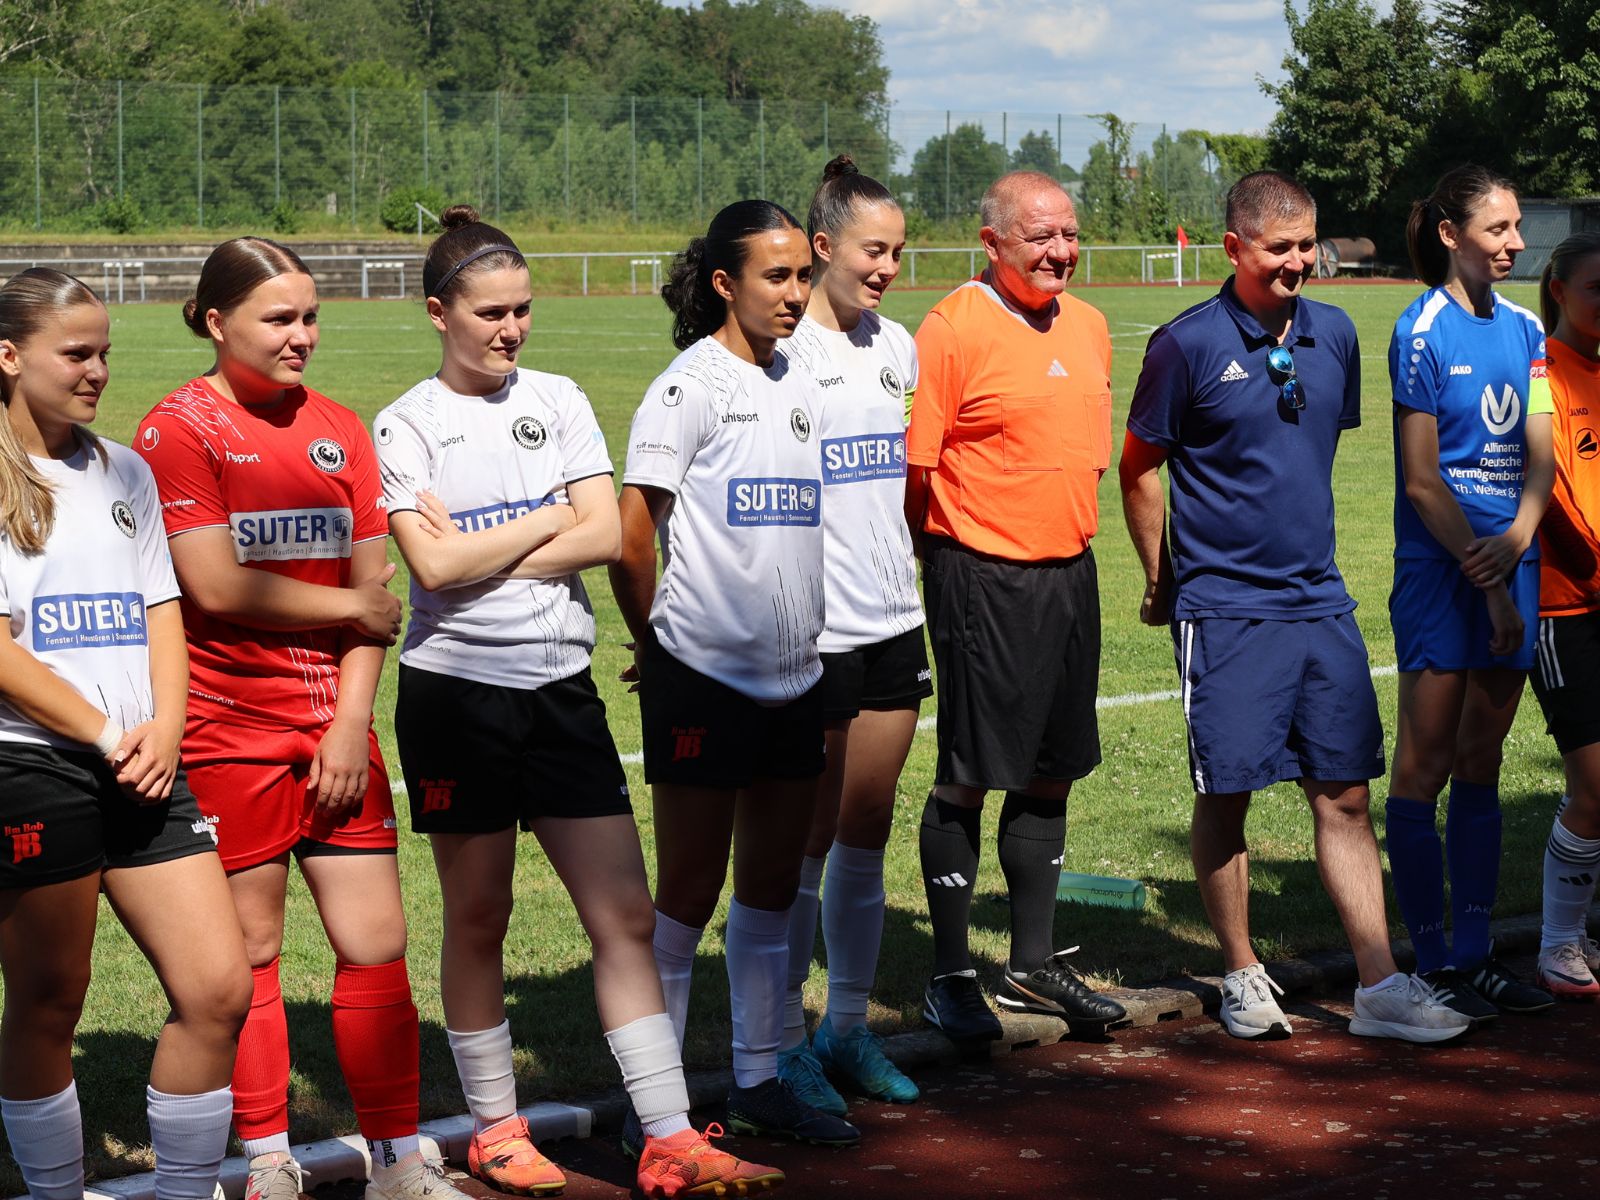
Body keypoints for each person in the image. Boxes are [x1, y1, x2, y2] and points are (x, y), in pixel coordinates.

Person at [375, 205, 783, 1197]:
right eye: (490, 313)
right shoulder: (404, 422)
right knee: (480, 914)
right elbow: (431, 570)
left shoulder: (557, 398)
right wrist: (544, 517)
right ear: (438, 313)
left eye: (521, 310)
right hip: (456, 697)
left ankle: (669, 1136)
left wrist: (486, 546)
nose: (511, 329)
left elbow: (604, 535)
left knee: (624, 917)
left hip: (561, 689)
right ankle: (495, 1130)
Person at [135, 240, 470, 1200]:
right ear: (215, 322)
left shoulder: (340, 429)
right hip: (225, 727)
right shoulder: (176, 430)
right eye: (278, 319)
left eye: (310, 317)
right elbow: (214, 584)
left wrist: (348, 721)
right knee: (252, 950)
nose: (302, 337)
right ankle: (269, 1159)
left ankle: (398, 1162)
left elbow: (377, 600)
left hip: (334, 724)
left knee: (376, 941)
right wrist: (352, 608)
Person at [1119, 172, 1472, 1045]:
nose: (1297, 261)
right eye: (1278, 247)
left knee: (1345, 794)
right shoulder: (1184, 345)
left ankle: (1380, 985)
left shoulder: (1336, 333)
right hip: (1225, 609)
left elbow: (1306, 453)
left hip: (1321, 601)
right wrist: (1163, 580)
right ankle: (1241, 972)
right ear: (1233, 247)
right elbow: (1137, 467)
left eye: (1307, 244)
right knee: (1228, 792)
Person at [610, 199, 860, 1147]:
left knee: (769, 891)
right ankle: (659, 1108)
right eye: (776, 276)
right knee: (687, 892)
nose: (796, 293)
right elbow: (633, 535)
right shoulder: (689, 388)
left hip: (796, 675)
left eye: (802, 275)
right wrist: (657, 640)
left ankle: (759, 1078)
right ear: (725, 283)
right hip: (703, 679)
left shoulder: (798, 376)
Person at [0, 268, 251, 1200]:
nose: (98, 370)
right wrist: (111, 734)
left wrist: (167, 727)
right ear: (8, 355)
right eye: (76, 353)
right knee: (49, 999)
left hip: (144, 759)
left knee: (218, 988)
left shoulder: (125, 471)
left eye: (104, 352)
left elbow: (161, 611)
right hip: (32, 765)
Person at [903, 170, 1127, 1039]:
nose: (1060, 252)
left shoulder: (1092, 325)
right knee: (968, 773)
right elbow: (917, 471)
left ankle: (1031, 966)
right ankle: (950, 975)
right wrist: (943, 563)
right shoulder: (953, 326)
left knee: (1050, 768)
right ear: (992, 242)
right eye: (1040, 237)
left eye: (1069, 234)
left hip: (1070, 571)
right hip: (981, 575)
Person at [1384, 164, 1556, 1020]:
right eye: (1498, 229)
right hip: (1441, 575)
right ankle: (1432, 961)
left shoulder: (1528, 330)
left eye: (1516, 226)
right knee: (1424, 768)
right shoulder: (1419, 331)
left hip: (1511, 565)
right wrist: (1487, 578)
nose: (1515, 243)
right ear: (1452, 235)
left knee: (1482, 762)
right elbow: (1422, 481)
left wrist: (1520, 536)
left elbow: (1540, 452)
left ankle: (1478, 955)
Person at [775, 157, 926, 1115]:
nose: (887, 268)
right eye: (874, 250)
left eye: (898, 252)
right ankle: (783, 1039)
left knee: (868, 829)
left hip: (892, 620)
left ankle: (847, 1028)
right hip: (816, 631)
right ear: (823, 245)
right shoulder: (783, 353)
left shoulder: (897, 345)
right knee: (807, 838)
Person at [1526, 230, 1600, 998]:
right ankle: (1557, 944)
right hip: (1564, 605)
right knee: (1594, 785)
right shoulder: (1542, 370)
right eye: (1595, 288)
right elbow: (1546, 488)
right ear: (1559, 290)